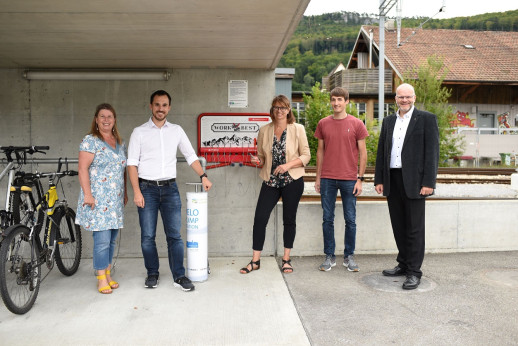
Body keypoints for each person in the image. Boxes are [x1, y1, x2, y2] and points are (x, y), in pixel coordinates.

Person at [127, 89, 212, 292]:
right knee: (148, 236)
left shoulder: (177, 130)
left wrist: (203, 175)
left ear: (169, 108)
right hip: (146, 188)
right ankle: (152, 273)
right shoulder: (139, 132)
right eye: (157, 105)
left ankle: (179, 276)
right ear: (151, 106)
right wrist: (136, 192)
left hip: (170, 189)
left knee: (174, 235)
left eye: (164, 105)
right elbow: (131, 164)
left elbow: (191, 155)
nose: (161, 109)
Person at [374, 83, 439, 290]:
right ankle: (403, 264)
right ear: (395, 99)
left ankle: (414, 272)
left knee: (414, 229)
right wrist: (379, 179)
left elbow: (432, 153)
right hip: (393, 179)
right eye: (401, 97)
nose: (404, 100)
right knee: (399, 226)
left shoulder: (426, 119)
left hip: (415, 182)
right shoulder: (388, 121)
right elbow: (382, 152)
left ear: (414, 98)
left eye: (408, 97)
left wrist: (429, 182)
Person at [240, 95, 310, 274]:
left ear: (289, 110)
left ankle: (286, 259)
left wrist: (287, 165)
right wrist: (258, 160)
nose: (280, 111)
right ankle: (255, 261)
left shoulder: (298, 129)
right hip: (270, 180)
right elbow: (262, 157)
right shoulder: (264, 130)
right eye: (276, 107)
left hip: (292, 180)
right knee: (260, 219)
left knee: (289, 220)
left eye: (283, 107)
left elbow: (306, 156)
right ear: (272, 110)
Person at [315, 87, 368, 272]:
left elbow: (363, 153)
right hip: (328, 178)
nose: (336, 103)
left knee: (350, 220)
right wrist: (318, 177)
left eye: (339, 99)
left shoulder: (356, 124)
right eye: (333, 99)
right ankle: (329, 256)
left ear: (347, 101)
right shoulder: (323, 123)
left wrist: (360, 179)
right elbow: (320, 151)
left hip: (349, 179)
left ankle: (349, 256)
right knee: (327, 219)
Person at [77, 103, 128, 294]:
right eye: (102, 116)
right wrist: (88, 194)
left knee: (112, 239)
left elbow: (122, 169)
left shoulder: (120, 142)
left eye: (110, 116)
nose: (106, 120)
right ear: (96, 120)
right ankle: (100, 278)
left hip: (114, 200)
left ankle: (107, 273)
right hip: (97, 199)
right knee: (102, 239)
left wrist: (125, 193)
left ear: (114, 120)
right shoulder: (90, 141)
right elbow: (82, 169)